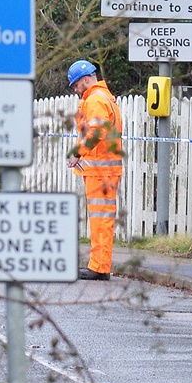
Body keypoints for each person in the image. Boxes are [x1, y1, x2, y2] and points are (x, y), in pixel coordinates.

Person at [66, 60, 123, 280]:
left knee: (100, 220)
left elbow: (97, 131)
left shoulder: (96, 100)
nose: (75, 89)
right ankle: (99, 265)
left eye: (76, 84)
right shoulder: (104, 97)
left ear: (85, 79)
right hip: (105, 169)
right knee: (102, 219)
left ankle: (99, 267)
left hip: (101, 170)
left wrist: (78, 152)